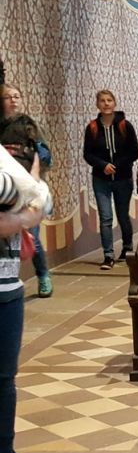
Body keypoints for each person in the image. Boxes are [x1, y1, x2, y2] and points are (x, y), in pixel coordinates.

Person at [0, 144, 51, 453]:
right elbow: (18, 190)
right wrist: (25, 211)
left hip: (6, 285)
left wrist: (19, 215)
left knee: (4, 381)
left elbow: (42, 199)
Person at [1, 84, 53, 298]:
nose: (13, 100)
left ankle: (43, 275)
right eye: (8, 97)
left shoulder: (28, 125)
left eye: (17, 96)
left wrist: (37, 175)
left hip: (26, 187)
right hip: (4, 189)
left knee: (31, 235)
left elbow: (44, 155)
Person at [83, 89, 138, 270]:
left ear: (114, 103)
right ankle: (108, 255)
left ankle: (127, 247)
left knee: (123, 215)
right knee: (105, 217)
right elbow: (88, 153)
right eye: (102, 101)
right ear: (97, 104)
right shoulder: (92, 128)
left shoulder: (125, 126)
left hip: (123, 178)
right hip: (101, 179)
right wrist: (103, 165)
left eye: (109, 100)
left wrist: (117, 165)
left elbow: (134, 151)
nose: (106, 103)